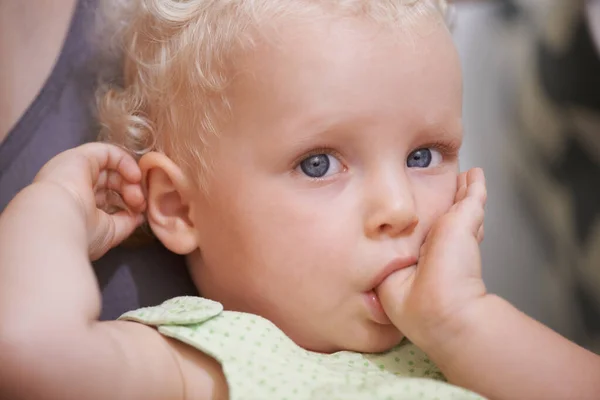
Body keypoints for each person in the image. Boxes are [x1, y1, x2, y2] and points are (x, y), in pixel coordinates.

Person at [1, 1, 599, 400]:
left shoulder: (464, 337)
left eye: (423, 156)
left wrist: (463, 321)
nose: (401, 208)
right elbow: (26, 351)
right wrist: (54, 204)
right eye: (319, 164)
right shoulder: (207, 358)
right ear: (181, 209)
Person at [0, 0, 196, 321]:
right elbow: (31, 343)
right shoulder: (210, 346)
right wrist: (59, 204)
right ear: (177, 205)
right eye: (310, 165)